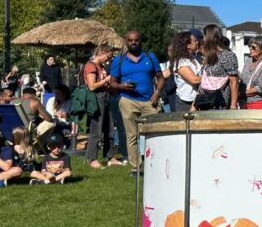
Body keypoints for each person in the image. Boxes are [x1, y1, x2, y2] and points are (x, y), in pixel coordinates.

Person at [109, 30, 165, 174]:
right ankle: (136, 166)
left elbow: (161, 78)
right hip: (128, 100)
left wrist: (157, 93)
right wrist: (122, 86)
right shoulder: (119, 60)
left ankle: (154, 163)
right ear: (126, 42)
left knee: (154, 132)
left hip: (149, 101)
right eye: (130, 40)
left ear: (140, 41)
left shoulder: (150, 57)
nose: (133, 43)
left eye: (136, 40)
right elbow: (112, 83)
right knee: (132, 135)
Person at [82, 45, 116, 168]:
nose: (108, 59)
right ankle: (92, 158)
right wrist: (106, 80)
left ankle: (110, 157)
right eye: (108, 56)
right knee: (96, 129)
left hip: (106, 97)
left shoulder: (102, 67)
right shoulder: (91, 66)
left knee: (110, 129)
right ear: (101, 52)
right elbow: (92, 86)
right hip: (96, 99)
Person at [195, 24, 239, 111]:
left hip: (219, 104)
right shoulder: (209, 56)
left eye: (204, 36)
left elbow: (234, 82)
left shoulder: (227, 55)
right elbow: (204, 81)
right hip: (204, 101)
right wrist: (194, 105)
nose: (203, 39)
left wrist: (233, 106)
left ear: (209, 37)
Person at [169, 30, 202, 113]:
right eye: (194, 41)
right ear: (188, 45)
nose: (197, 42)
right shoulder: (181, 62)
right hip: (186, 102)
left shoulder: (193, 59)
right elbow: (194, 80)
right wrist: (212, 79)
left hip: (197, 99)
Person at [240, 35, 262, 110]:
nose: (250, 49)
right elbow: (243, 81)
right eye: (249, 46)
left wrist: (240, 94)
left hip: (257, 102)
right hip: (243, 102)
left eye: (253, 47)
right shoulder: (248, 61)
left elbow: (259, 88)